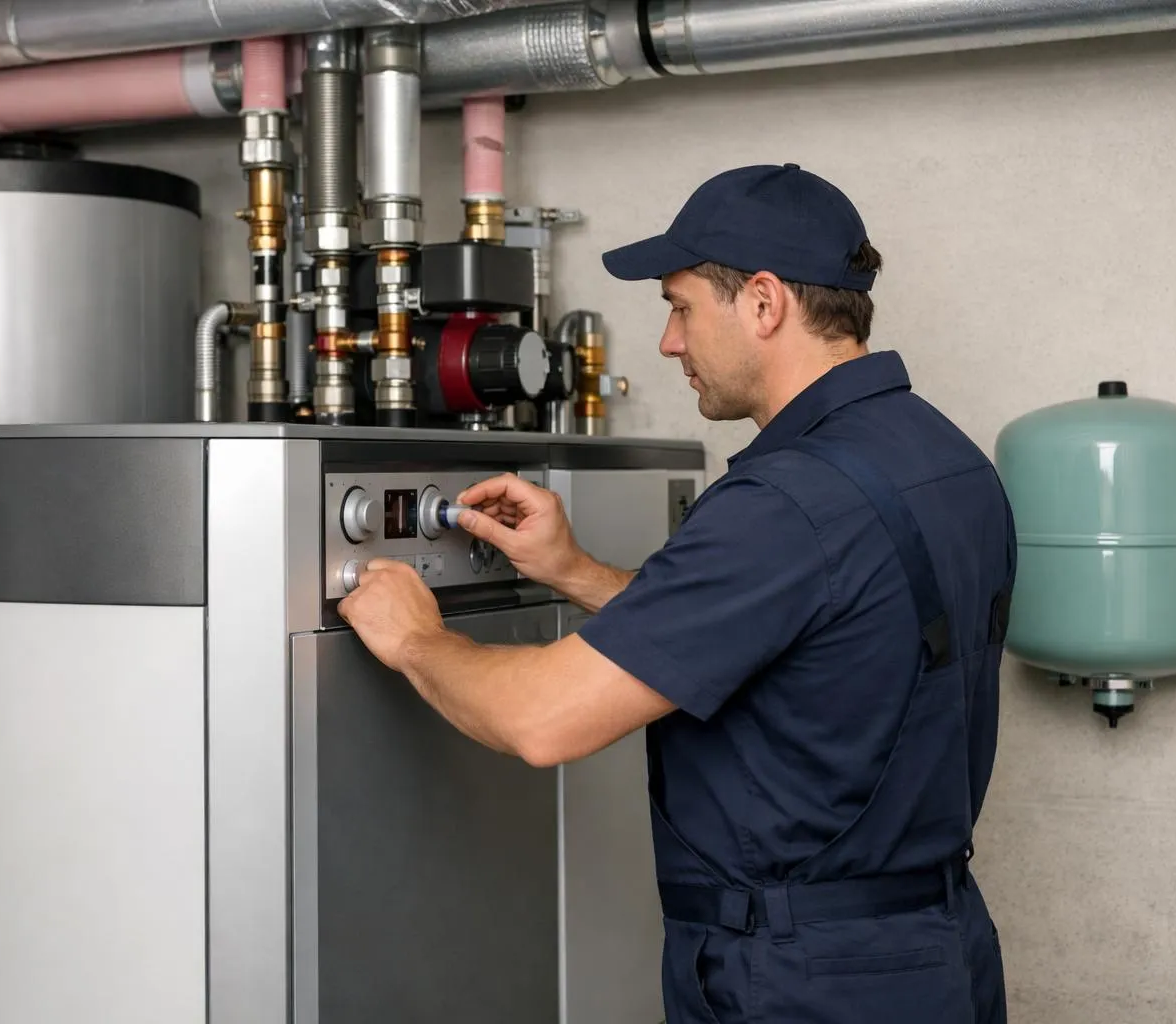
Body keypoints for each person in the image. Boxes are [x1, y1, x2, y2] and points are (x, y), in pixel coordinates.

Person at [337, 162, 1014, 1024]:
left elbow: (542, 721)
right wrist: (574, 571)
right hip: (939, 951)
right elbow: (796, 645)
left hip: (804, 983)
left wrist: (415, 639)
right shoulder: (949, 462)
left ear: (763, 303)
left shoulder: (784, 506)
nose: (668, 342)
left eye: (680, 305)